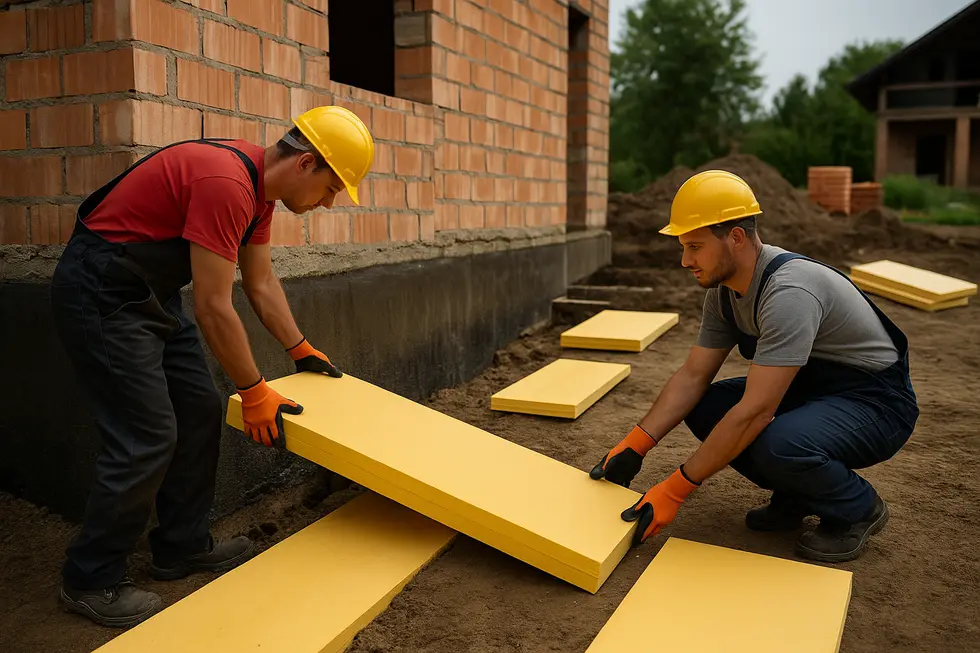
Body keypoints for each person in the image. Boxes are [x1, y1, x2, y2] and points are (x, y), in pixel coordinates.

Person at [49, 105, 375, 628]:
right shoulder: (227, 183)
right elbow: (213, 306)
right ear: (307, 164)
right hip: (102, 292)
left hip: (148, 293)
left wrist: (301, 349)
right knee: (146, 434)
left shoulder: (258, 194)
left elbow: (260, 283)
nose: (329, 202)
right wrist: (254, 390)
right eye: (333, 188)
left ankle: (180, 547)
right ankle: (89, 577)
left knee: (200, 407)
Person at [590, 169, 919, 563]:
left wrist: (675, 489)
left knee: (775, 439)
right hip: (815, 393)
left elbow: (757, 411)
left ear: (736, 238)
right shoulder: (725, 293)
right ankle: (799, 493)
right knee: (707, 405)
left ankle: (857, 507)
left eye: (694, 246)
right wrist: (635, 445)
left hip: (876, 404)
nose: (684, 260)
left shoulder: (788, 291)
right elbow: (693, 377)